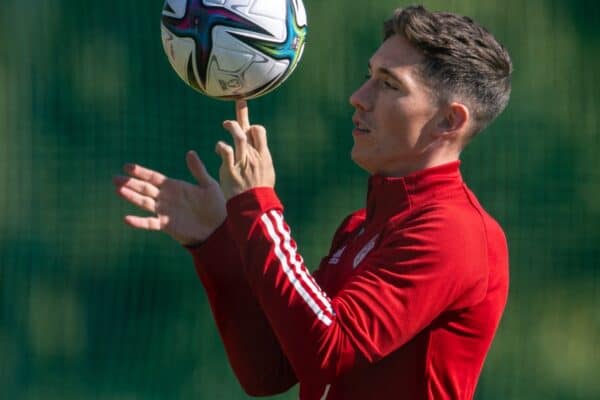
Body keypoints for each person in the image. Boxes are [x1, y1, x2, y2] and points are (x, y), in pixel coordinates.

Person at [113, 5, 512, 399]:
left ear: (449, 121)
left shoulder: (455, 232)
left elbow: (329, 349)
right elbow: (271, 371)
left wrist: (257, 208)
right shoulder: (360, 226)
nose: (359, 97)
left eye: (390, 84)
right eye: (368, 76)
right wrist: (219, 241)